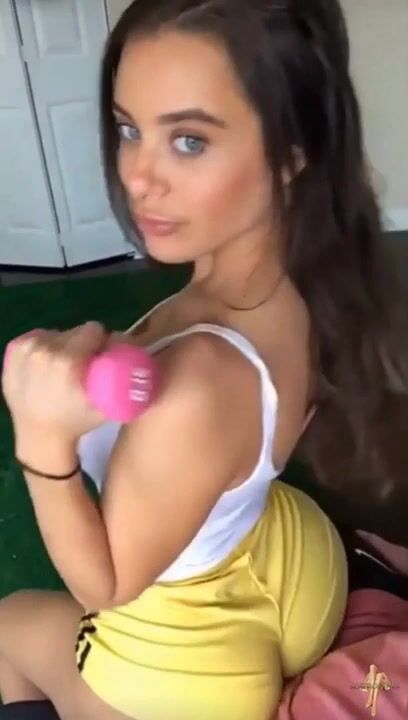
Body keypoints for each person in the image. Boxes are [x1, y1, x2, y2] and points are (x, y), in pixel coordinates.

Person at [1, 1, 407, 718]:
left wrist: (42, 442)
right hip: (289, 576)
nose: (139, 176)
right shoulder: (301, 282)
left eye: (189, 141)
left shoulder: (197, 386)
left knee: (6, 629)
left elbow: (107, 585)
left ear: (293, 152)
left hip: (188, 679)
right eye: (130, 129)